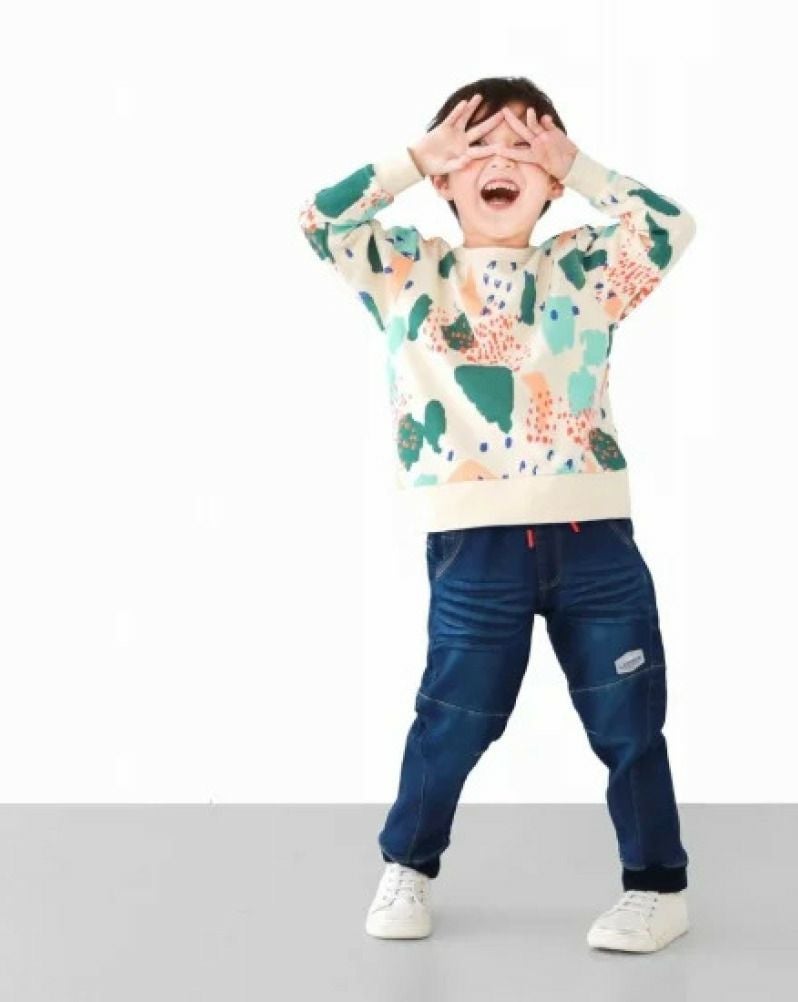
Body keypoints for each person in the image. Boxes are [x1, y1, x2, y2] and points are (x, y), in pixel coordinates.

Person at [298, 76, 697, 954]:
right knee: (454, 716)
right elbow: (322, 221)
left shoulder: (585, 270)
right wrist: (414, 158)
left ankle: (656, 887)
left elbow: (670, 229)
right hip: (474, 546)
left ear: (550, 181)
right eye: (478, 147)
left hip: (593, 539)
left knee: (629, 719)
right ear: (446, 177)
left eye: (524, 148)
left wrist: (581, 166)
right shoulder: (409, 272)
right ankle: (408, 864)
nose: (501, 162)